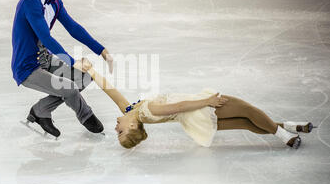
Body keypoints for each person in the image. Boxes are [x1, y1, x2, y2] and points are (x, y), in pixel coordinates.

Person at [75, 58, 313, 149]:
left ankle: (292, 126)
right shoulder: (146, 111)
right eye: (121, 132)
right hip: (198, 108)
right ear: (134, 127)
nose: (116, 127)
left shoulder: (131, 111)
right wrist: (207, 100)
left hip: (194, 118)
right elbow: (178, 107)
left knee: (246, 122)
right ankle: (287, 137)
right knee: (248, 110)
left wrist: (92, 70)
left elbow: (110, 90)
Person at [11, 0, 113, 137]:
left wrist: (101, 50)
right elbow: (45, 38)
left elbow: (73, 27)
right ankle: (86, 115)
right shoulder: (29, 3)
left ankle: (40, 111)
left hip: (45, 59)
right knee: (69, 88)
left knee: (83, 78)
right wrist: (72, 62)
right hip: (27, 67)